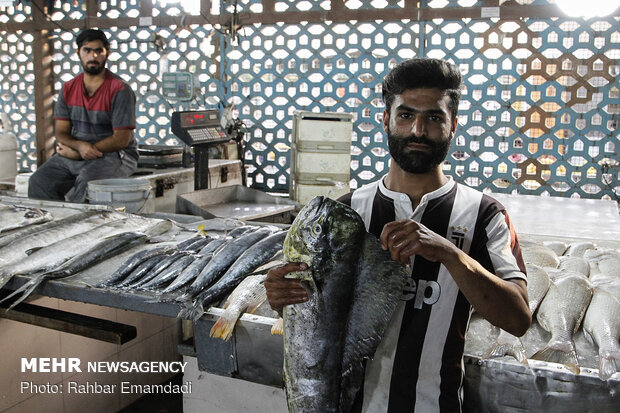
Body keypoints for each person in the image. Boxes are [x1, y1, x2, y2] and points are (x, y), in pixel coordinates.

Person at [265, 58, 531, 412]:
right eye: (406, 115)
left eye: (434, 118)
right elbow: (315, 318)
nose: (418, 130)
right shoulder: (344, 217)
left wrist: (451, 255)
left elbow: (517, 319)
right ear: (386, 119)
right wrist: (282, 296)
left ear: (453, 126)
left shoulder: (485, 215)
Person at [28, 28, 138, 203]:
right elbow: (61, 132)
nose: (93, 56)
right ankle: (55, 226)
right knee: (39, 181)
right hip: (78, 151)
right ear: (78, 53)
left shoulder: (120, 89)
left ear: (107, 53)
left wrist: (80, 153)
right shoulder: (69, 88)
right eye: (87, 50)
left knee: (87, 183)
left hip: (116, 155)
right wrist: (79, 147)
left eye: (98, 51)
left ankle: (81, 228)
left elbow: (121, 139)